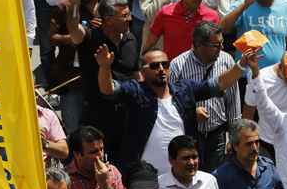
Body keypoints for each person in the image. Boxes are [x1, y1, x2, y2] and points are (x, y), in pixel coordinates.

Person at [95, 46, 248, 174]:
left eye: (165, 64)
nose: (161, 69)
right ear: (142, 71)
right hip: (145, 179)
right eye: (155, 66)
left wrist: (241, 65)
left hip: (182, 175)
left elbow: (219, 84)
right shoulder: (135, 91)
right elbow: (108, 90)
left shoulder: (185, 90)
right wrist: (104, 66)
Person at [66, 0, 138, 158]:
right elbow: (73, 27)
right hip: (96, 115)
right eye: (124, 16)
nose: (130, 19)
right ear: (109, 19)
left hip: (126, 116)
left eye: (129, 14)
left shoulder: (131, 38)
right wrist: (73, 6)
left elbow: (135, 72)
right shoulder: (90, 37)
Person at [169, 22, 241, 171]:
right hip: (191, 136)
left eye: (222, 43)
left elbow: (233, 101)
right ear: (198, 45)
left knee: (215, 178)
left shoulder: (226, 60)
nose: (221, 48)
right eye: (216, 45)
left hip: (218, 133)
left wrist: (234, 137)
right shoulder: (178, 65)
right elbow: (170, 103)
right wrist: (191, 112)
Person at [50, 0, 103, 132]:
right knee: (73, 130)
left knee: (98, 130)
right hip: (72, 78)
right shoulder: (64, 7)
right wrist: (74, 38)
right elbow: (51, 37)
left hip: (98, 77)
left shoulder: (107, 6)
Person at [212, 119, 287, 189]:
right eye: (249, 144)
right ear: (235, 146)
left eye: (257, 142)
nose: (254, 148)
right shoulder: (221, 177)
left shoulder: (269, 168)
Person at [143, 0, 219, 60]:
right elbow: (150, 42)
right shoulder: (166, 13)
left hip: (202, 70)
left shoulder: (212, 16)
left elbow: (217, 47)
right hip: (172, 70)